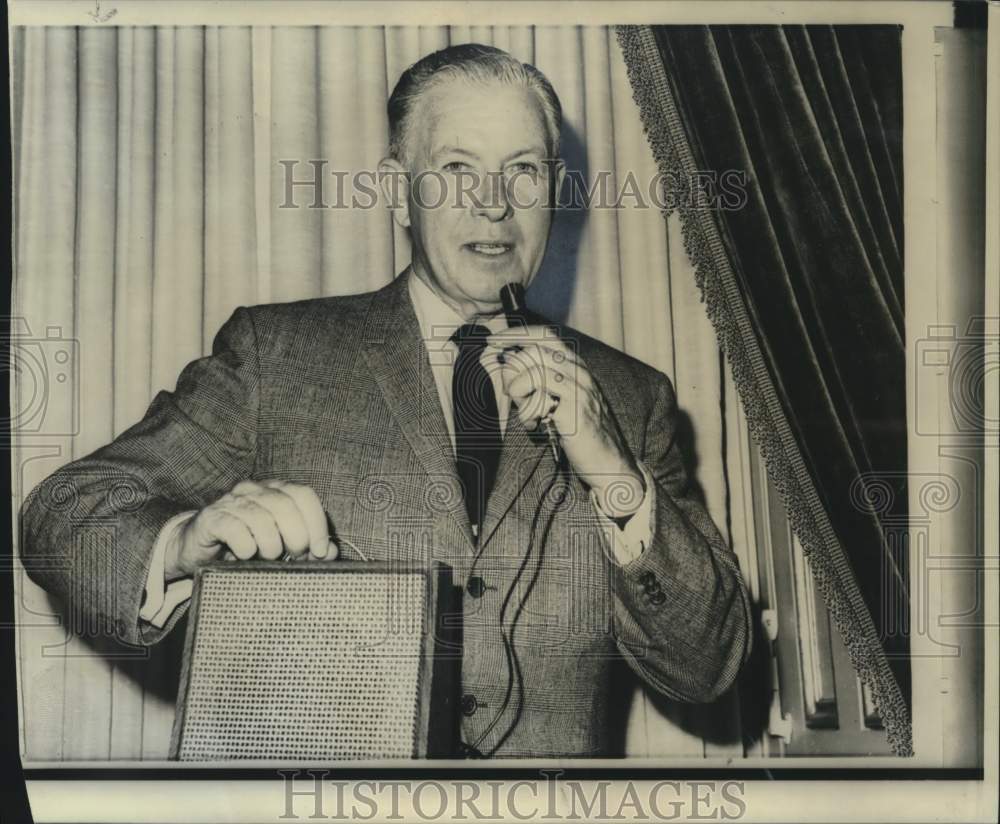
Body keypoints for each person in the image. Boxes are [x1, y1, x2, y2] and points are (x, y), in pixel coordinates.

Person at [21, 43, 751, 758]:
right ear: (396, 187)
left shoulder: (632, 395)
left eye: (521, 171)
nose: (494, 205)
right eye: (457, 169)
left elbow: (707, 664)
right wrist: (180, 545)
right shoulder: (276, 356)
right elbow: (66, 513)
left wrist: (615, 475)